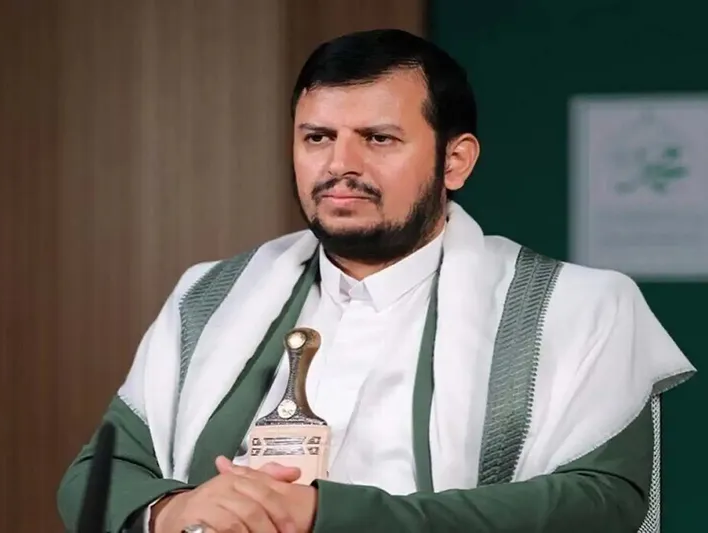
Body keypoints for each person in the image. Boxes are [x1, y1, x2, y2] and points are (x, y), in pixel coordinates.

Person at [57, 29, 696, 533]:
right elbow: (99, 473)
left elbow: (602, 501)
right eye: (318, 137)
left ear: (455, 161)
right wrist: (174, 510)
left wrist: (326, 515)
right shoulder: (211, 294)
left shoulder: (580, 306)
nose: (340, 164)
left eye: (379, 139)